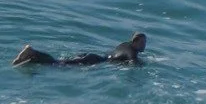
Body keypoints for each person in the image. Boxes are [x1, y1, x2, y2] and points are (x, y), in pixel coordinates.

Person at [12, 31, 146, 67]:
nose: (144, 45)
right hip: (95, 61)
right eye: (143, 42)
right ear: (136, 41)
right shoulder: (131, 51)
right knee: (58, 65)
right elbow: (133, 63)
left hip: (93, 56)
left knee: (60, 63)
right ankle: (33, 53)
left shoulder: (124, 44)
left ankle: (33, 59)